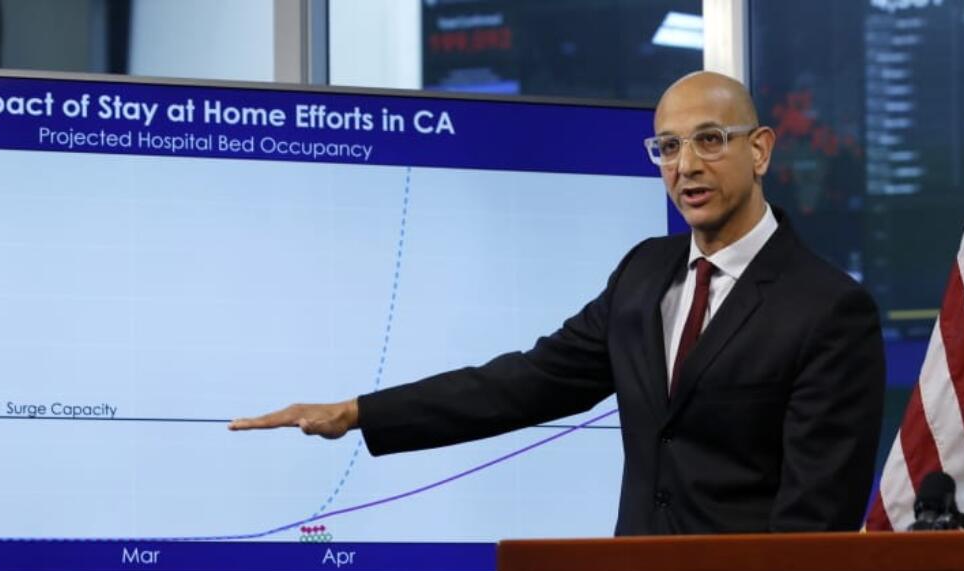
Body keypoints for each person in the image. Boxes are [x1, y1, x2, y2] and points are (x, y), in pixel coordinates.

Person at [229, 71, 885, 535]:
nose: (685, 165)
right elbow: (523, 383)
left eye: (709, 139)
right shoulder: (644, 274)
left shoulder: (829, 310)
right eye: (668, 146)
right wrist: (360, 412)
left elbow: (813, 526)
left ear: (761, 148)